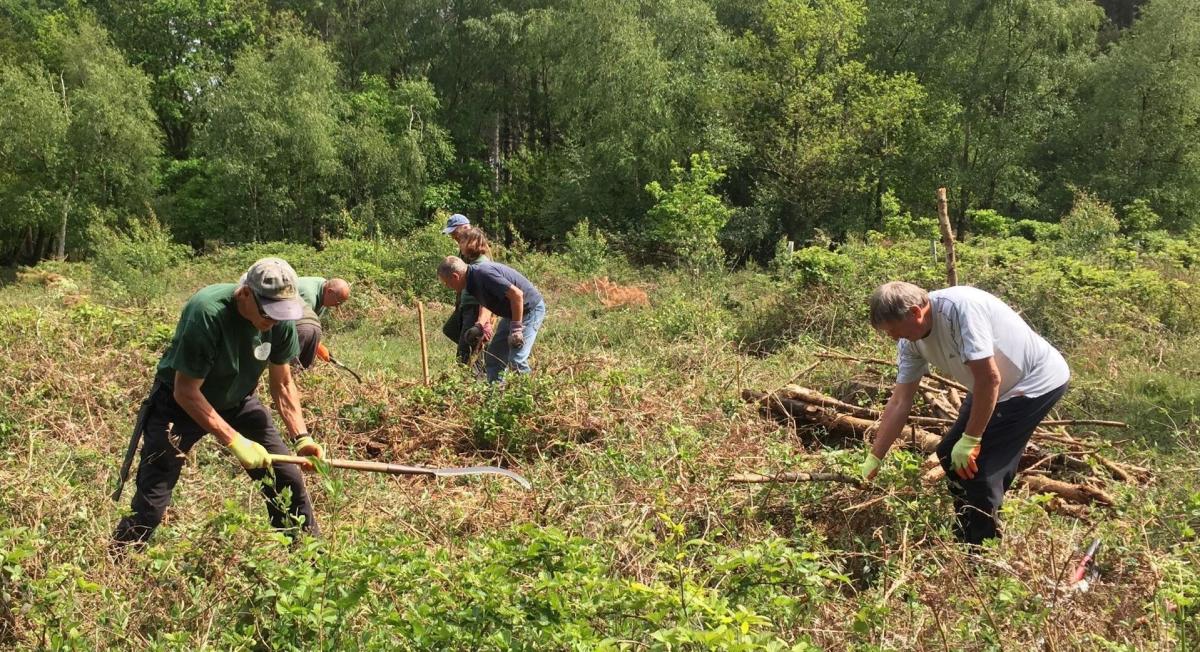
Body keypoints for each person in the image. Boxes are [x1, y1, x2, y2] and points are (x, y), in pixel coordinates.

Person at [112, 258, 327, 547]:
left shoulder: (281, 321)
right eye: (269, 312)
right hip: (179, 406)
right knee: (153, 498)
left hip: (239, 399)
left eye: (281, 313)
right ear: (246, 293)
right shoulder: (207, 312)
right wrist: (235, 441)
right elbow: (185, 391)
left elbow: (283, 383)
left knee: (287, 478)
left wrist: (301, 438)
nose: (273, 320)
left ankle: (307, 563)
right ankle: (121, 555)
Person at [860, 281, 1070, 545]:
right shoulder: (910, 341)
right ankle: (966, 529)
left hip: (1033, 383)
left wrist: (971, 440)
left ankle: (983, 551)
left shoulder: (960, 311)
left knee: (979, 469)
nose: (892, 337)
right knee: (950, 455)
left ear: (915, 313)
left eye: (893, 330)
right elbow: (900, 402)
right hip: (988, 385)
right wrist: (874, 458)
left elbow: (989, 379)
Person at [436, 256, 547, 382]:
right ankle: (496, 395)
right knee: (494, 357)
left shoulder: (484, 274)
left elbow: (517, 295)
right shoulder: (471, 281)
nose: (447, 286)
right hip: (511, 313)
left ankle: (530, 396)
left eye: (446, 282)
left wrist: (516, 329)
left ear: (455, 276)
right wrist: (480, 325)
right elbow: (487, 302)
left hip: (529, 310)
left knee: (516, 359)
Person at [451, 227, 492, 370]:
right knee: (467, 348)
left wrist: (480, 323)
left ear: (471, 243)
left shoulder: (481, 265)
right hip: (469, 309)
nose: (459, 245)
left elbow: (485, 298)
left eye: (462, 241)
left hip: (475, 311)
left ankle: (472, 381)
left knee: (467, 351)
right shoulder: (474, 263)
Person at [293, 276, 351, 369]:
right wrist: (316, 347)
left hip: (297, 321)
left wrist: (318, 345)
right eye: (337, 302)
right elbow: (300, 327)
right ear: (330, 291)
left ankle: (301, 372)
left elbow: (313, 324)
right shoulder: (309, 297)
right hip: (272, 313)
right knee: (304, 333)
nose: (337, 307)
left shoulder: (324, 288)